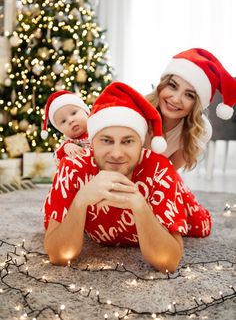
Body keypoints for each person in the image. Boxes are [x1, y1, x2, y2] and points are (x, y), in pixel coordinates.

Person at [43, 81, 212, 273]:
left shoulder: (160, 169)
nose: (116, 153)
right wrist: (81, 200)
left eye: (127, 141)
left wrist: (140, 207)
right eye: (106, 140)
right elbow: (59, 254)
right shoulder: (72, 167)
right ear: (92, 142)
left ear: (141, 144)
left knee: (199, 225)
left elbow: (168, 262)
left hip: (169, 190)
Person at [145, 48, 236, 170]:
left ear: (196, 104)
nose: (176, 99)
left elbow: (167, 174)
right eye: (172, 86)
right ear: (162, 85)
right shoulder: (136, 112)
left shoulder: (195, 133)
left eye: (189, 95)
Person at [41, 90, 90, 164]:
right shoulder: (68, 143)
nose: (70, 120)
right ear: (60, 130)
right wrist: (65, 148)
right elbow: (56, 158)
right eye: (63, 121)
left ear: (86, 112)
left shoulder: (98, 132)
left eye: (73, 113)